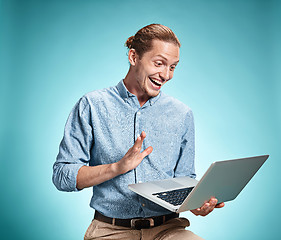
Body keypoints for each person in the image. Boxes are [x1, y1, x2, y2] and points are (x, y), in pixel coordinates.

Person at [52, 23, 224, 240]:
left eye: (173, 67)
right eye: (159, 63)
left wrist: (196, 203)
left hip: (168, 229)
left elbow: (184, 178)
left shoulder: (182, 114)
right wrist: (117, 168)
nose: (166, 75)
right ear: (134, 57)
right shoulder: (92, 105)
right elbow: (62, 175)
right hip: (111, 231)